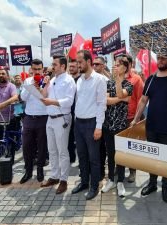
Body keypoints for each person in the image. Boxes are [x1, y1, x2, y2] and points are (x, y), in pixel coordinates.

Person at [131, 53, 167, 203]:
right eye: (158, 58)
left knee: (166, 158)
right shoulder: (151, 79)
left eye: (163, 58)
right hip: (151, 126)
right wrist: (135, 119)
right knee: (153, 157)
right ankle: (152, 183)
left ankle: (166, 186)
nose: (160, 61)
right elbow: (143, 101)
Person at [71, 50, 107, 200]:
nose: (78, 65)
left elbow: (101, 104)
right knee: (82, 156)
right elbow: (78, 101)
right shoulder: (79, 80)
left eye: (80, 62)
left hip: (92, 124)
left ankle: (94, 186)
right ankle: (84, 182)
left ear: (88, 61)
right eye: (77, 62)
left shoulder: (100, 80)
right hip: (78, 124)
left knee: (94, 157)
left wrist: (98, 126)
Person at [40, 55, 76, 194]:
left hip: (62, 118)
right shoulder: (53, 79)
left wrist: (52, 102)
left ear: (62, 66)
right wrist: (46, 84)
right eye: (52, 64)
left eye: (55, 64)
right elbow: (43, 96)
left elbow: (69, 101)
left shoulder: (69, 80)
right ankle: (54, 176)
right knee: (52, 150)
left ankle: (64, 180)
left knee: (62, 151)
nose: (52, 66)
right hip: (50, 118)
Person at [101, 56, 133, 197]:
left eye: (119, 65)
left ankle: (120, 181)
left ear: (125, 68)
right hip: (108, 124)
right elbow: (106, 100)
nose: (116, 67)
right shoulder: (108, 83)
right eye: (115, 64)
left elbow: (121, 93)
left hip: (121, 125)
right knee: (110, 153)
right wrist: (120, 99)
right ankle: (111, 180)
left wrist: (119, 93)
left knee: (120, 155)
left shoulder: (128, 84)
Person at [20, 59, 48, 184]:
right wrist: (31, 87)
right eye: (34, 69)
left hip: (43, 117)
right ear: (31, 69)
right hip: (29, 118)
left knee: (42, 146)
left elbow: (46, 98)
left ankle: (40, 169)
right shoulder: (27, 81)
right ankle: (28, 170)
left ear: (42, 69)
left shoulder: (47, 81)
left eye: (39, 69)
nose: (37, 71)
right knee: (26, 146)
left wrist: (41, 86)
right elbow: (23, 98)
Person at [121, 54, 144, 183]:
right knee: (119, 146)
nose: (121, 64)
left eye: (124, 62)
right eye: (119, 62)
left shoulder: (136, 79)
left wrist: (137, 118)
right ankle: (119, 169)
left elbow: (141, 98)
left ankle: (132, 172)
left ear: (130, 65)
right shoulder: (115, 78)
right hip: (117, 118)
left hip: (131, 118)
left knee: (131, 146)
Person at [0, 69, 19, 163]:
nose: (1, 75)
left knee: (11, 141)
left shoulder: (11, 86)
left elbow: (15, 97)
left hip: (10, 118)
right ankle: (1, 160)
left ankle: (11, 160)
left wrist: (4, 104)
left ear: (7, 76)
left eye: (3, 73)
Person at [93, 56, 109, 180]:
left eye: (97, 64)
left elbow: (107, 100)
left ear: (103, 66)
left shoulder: (107, 80)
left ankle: (103, 170)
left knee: (103, 147)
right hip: (91, 118)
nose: (95, 66)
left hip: (105, 118)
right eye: (93, 64)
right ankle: (95, 171)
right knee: (94, 148)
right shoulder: (88, 79)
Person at [68, 59, 80, 163]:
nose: (71, 68)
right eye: (70, 67)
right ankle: (71, 158)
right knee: (69, 136)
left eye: (73, 66)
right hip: (68, 112)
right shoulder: (68, 80)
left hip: (80, 114)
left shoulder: (82, 80)